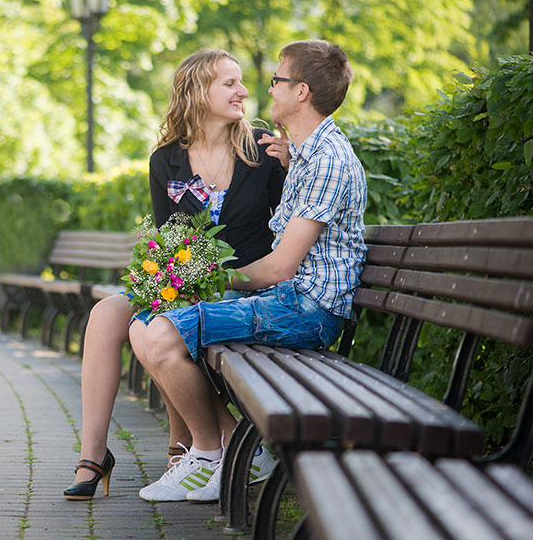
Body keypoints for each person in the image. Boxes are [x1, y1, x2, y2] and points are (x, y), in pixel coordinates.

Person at [129, 39, 367, 502]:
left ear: (300, 91)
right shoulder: (305, 154)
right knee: (145, 326)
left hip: (307, 309)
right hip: (289, 299)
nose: (266, 89)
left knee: (158, 335)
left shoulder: (329, 160)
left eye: (276, 80)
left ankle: (208, 453)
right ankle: (236, 445)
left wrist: (207, 277)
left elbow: (280, 268)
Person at [63, 48, 289, 501]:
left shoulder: (264, 150)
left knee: (163, 318)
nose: (244, 91)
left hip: (244, 287)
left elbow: (288, 232)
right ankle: (93, 455)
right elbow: (169, 242)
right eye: (229, 83)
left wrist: (291, 164)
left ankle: (196, 445)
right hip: (188, 280)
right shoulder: (165, 160)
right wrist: (172, 280)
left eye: (242, 82)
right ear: (196, 91)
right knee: (108, 314)